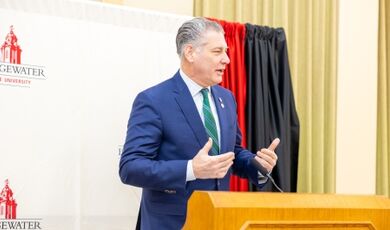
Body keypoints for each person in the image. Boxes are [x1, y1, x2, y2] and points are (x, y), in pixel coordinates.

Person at [119, 17, 279, 230]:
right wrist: (190, 169)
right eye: (217, 51)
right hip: (171, 224)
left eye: (226, 51)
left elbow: (234, 153)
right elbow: (131, 167)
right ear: (190, 52)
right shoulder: (154, 100)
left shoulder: (227, 98)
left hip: (219, 221)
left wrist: (257, 165)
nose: (227, 60)